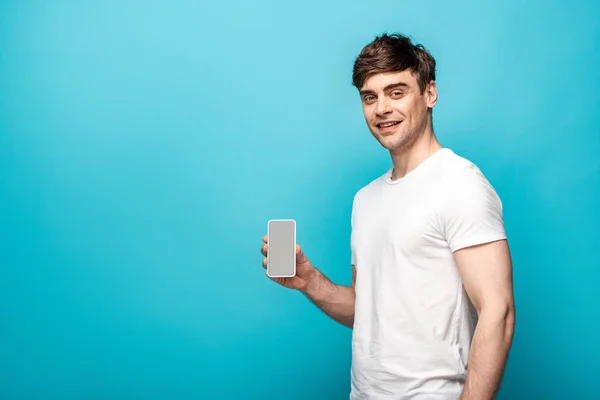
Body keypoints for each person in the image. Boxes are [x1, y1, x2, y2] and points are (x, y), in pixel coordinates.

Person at [260, 33, 516, 400]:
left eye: (396, 92)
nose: (381, 108)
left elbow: (499, 312)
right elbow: (370, 311)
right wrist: (310, 281)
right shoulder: (365, 199)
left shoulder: (461, 184)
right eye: (370, 97)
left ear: (429, 94)